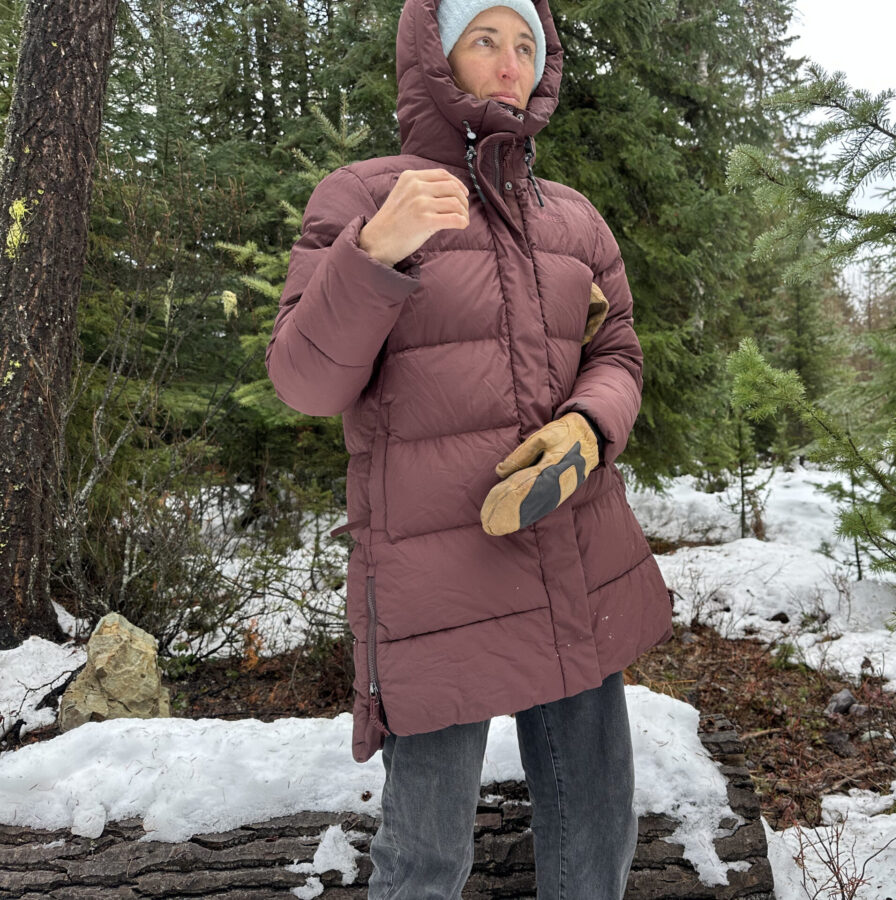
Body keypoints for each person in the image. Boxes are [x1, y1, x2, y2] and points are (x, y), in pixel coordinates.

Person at [264, 0, 674, 897]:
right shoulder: (366, 195)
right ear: (434, 52)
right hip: (440, 582)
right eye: (485, 37)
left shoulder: (572, 219)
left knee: (597, 837)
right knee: (426, 855)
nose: (509, 61)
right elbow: (304, 380)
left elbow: (619, 350)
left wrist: (590, 424)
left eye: (526, 43)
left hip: (571, 553)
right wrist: (374, 253)